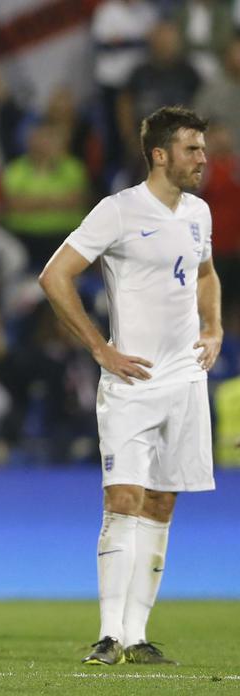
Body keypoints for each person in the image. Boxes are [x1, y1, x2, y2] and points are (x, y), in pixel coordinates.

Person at [39, 106, 221, 666]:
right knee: (122, 500)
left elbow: (206, 273)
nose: (203, 159)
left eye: (202, 149)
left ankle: (137, 636)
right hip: (131, 382)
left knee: (162, 504)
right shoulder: (118, 211)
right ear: (161, 154)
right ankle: (108, 634)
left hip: (185, 381)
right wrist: (100, 348)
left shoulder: (199, 213)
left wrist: (213, 328)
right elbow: (54, 275)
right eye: (192, 149)